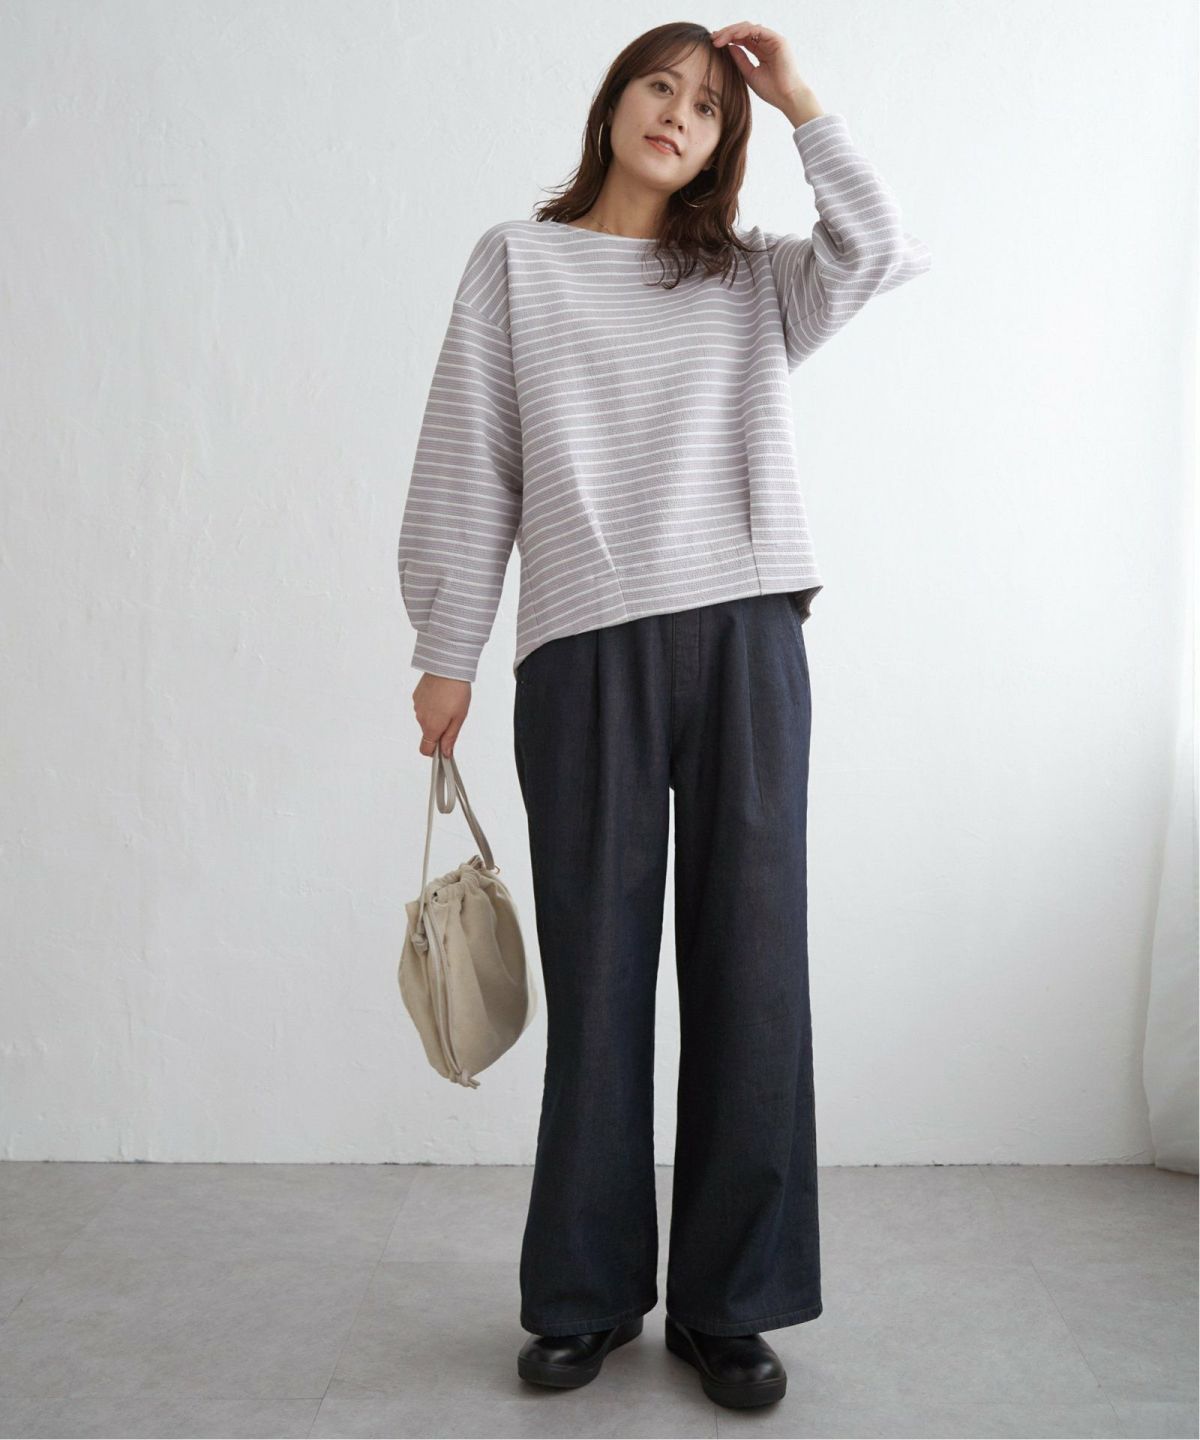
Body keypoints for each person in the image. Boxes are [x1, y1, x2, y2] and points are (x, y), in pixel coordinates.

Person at [397, 19, 931, 1410]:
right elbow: (471, 455)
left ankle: (728, 1304)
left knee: (753, 977)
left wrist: (799, 101)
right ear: (613, 102)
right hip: (583, 650)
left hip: (747, 636)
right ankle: (582, 1295)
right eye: (661, 86)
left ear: (721, 146)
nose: (680, 114)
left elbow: (877, 246)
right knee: (599, 980)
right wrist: (448, 647)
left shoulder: (750, 279)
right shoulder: (518, 263)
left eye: (706, 107)